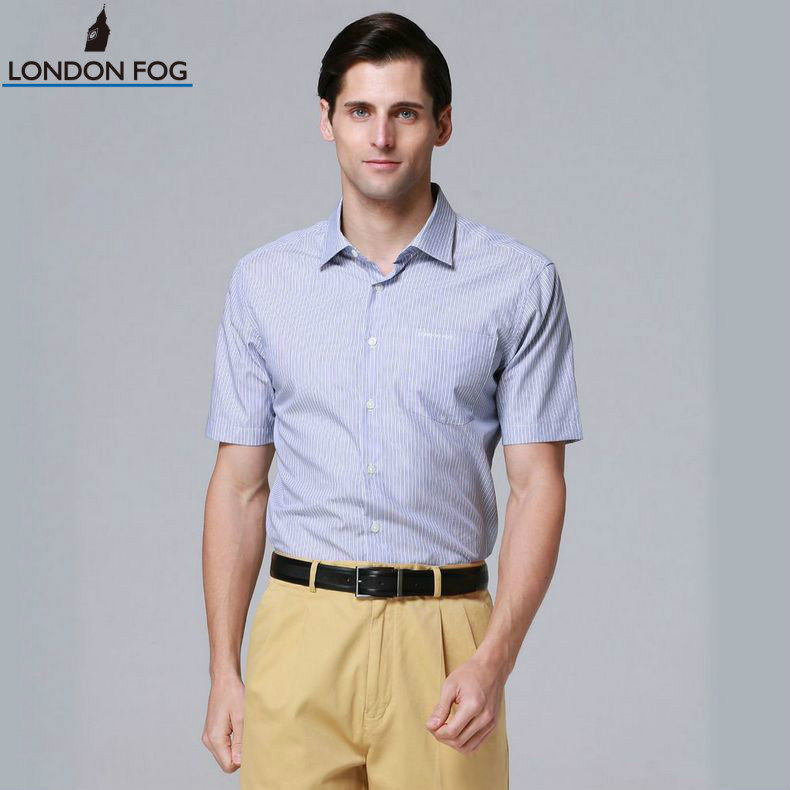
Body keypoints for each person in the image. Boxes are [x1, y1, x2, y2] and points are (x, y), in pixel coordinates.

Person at [200, 11, 583, 789]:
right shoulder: (264, 283)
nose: (381, 137)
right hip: (299, 633)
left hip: (442, 640)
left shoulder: (517, 284)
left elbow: (537, 486)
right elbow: (238, 487)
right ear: (327, 120)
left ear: (442, 124)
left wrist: (494, 660)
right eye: (360, 111)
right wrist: (224, 669)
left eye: (405, 112)